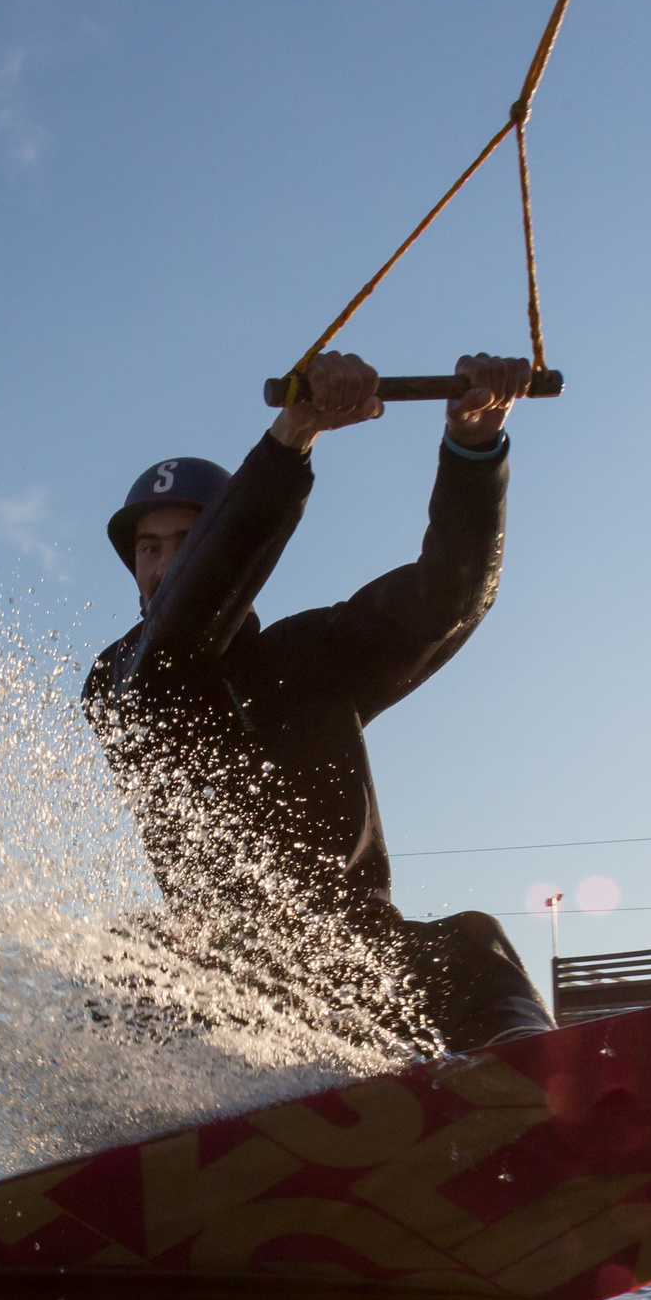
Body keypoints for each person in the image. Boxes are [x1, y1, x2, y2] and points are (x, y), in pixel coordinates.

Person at [81, 352, 554, 1052]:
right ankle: (131, 1123)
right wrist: (291, 438)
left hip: (353, 968)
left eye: (186, 540)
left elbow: (446, 599)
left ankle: (535, 1085)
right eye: (149, 548)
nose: (164, 563)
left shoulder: (311, 657)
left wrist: (474, 447)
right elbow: (187, 616)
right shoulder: (123, 680)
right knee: (121, 964)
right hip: (220, 985)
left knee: (472, 948)